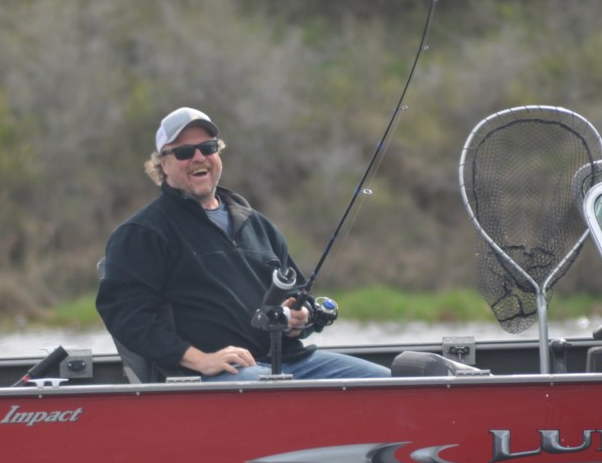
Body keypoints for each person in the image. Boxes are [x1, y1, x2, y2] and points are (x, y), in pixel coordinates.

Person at [96, 107, 390, 382]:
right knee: (270, 390)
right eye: (185, 152)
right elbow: (125, 316)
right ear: (163, 162)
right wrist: (198, 359)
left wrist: (301, 317)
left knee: (389, 383)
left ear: (218, 154)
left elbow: (299, 293)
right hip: (216, 374)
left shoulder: (257, 224)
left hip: (289, 361)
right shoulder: (142, 232)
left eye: (208, 148)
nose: (199, 157)